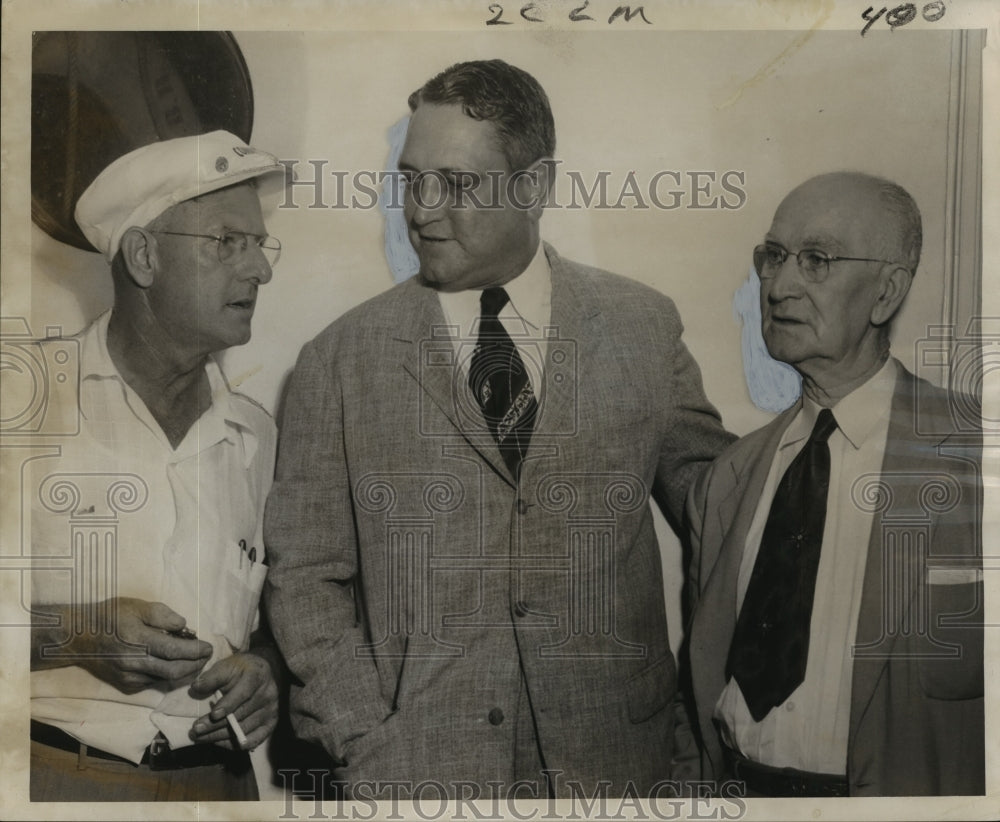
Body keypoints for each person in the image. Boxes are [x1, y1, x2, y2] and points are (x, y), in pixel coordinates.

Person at [264, 59, 734, 800]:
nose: (420, 210)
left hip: (620, 771)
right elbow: (304, 578)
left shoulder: (644, 327)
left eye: (454, 184)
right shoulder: (338, 361)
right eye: (409, 178)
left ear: (535, 186)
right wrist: (364, 741)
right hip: (419, 779)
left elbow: (730, 516)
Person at [685, 171, 984, 796]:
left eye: (816, 260)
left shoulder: (977, 457)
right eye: (773, 258)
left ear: (886, 293)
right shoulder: (728, 480)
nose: (779, 285)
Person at [29, 130, 286, 801]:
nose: (260, 270)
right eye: (228, 242)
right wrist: (74, 635)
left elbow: (275, 629)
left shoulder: (257, 437)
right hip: (53, 779)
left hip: (219, 788)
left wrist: (266, 675)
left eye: (259, 246)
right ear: (143, 255)